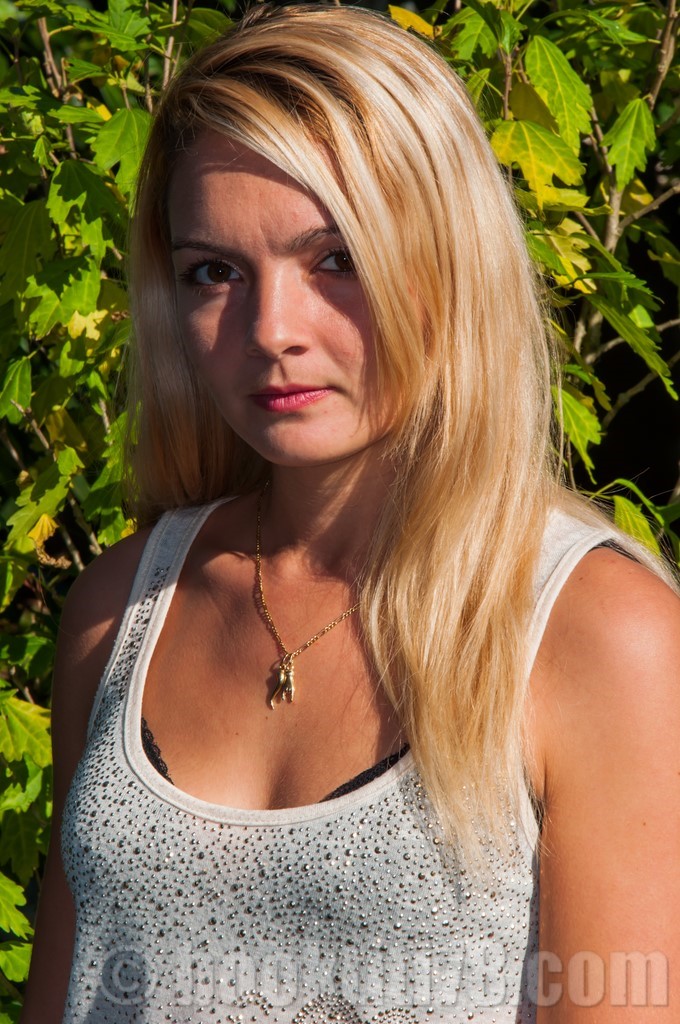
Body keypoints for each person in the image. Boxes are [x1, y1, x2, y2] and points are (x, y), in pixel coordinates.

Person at [21, 4, 680, 1022]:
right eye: (213, 272)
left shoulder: (595, 634)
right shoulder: (121, 608)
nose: (272, 330)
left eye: (338, 259)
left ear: (450, 262)